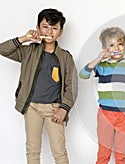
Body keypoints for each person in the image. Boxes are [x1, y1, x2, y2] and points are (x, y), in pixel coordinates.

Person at [0, 8, 78, 164]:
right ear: (38, 28)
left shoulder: (65, 57)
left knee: (59, 151)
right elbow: (3, 49)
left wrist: (64, 108)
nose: (49, 31)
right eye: (45, 26)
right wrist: (24, 38)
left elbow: (72, 85)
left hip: (54, 108)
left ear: (60, 32)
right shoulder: (29, 51)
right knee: (32, 150)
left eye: (54, 28)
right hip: (32, 107)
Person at [79, 27, 125, 164]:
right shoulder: (102, 66)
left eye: (120, 44)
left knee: (121, 154)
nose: (116, 48)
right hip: (105, 115)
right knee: (103, 153)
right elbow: (83, 74)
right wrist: (98, 58)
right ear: (104, 48)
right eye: (111, 45)